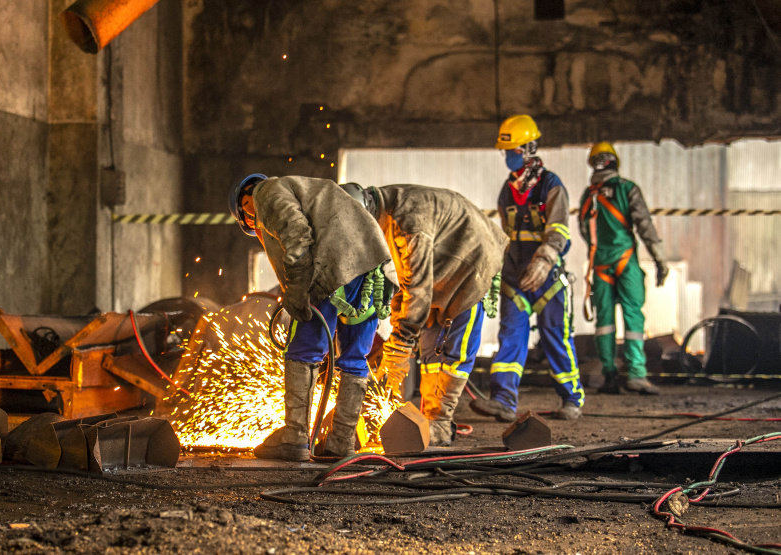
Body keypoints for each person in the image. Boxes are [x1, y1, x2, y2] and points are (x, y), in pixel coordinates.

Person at [229, 174, 394, 461]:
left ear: (245, 203)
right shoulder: (301, 190)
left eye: (252, 222)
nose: (258, 225)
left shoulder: (265, 192)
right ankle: (341, 442)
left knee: (303, 352)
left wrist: (297, 287)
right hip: (372, 269)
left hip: (333, 265)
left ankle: (295, 439)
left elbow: (296, 234)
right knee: (355, 359)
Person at [339, 183, 508, 446]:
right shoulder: (381, 215)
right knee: (430, 350)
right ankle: (429, 417)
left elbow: (416, 289)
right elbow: (399, 283)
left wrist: (398, 350)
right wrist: (399, 334)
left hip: (473, 261)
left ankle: (440, 421)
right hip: (439, 266)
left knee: (455, 351)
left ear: (365, 213)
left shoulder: (408, 223)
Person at [470, 114, 586, 422]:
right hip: (516, 278)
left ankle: (572, 399)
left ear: (530, 149)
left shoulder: (552, 186)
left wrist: (545, 260)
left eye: (514, 150)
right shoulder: (507, 191)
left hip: (548, 279)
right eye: (506, 151)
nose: (509, 157)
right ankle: (504, 401)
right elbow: (506, 235)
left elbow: (559, 230)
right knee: (511, 337)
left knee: (555, 337)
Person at [578, 142, 668, 395]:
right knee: (633, 317)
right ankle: (636, 375)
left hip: (600, 265)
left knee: (604, 322)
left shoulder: (588, 195)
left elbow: (586, 231)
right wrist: (659, 259)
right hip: (626, 262)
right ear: (615, 162)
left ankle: (610, 376)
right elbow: (644, 225)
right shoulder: (628, 189)